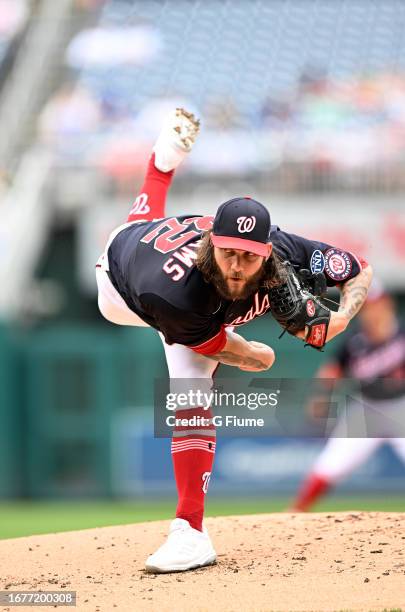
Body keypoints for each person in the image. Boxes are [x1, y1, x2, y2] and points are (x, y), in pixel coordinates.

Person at [95, 108, 373, 573]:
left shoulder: (283, 249)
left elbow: (359, 268)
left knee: (145, 224)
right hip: (122, 286)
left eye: (251, 255)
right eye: (229, 252)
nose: (239, 265)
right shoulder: (172, 294)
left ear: (269, 248)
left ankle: (161, 166)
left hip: (158, 248)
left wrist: (343, 317)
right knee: (190, 396)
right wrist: (256, 354)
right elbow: (237, 352)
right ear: (212, 244)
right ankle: (190, 534)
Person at [290, 282, 405, 512]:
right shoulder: (353, 342)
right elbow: (332, 371)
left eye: (376, 306)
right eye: (367, 308)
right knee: (330, 465)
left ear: (388, 305)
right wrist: (321, 396)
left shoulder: (402, 334)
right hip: (367, 410)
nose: (372, 312)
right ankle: (295, 515)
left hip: (401, 407)